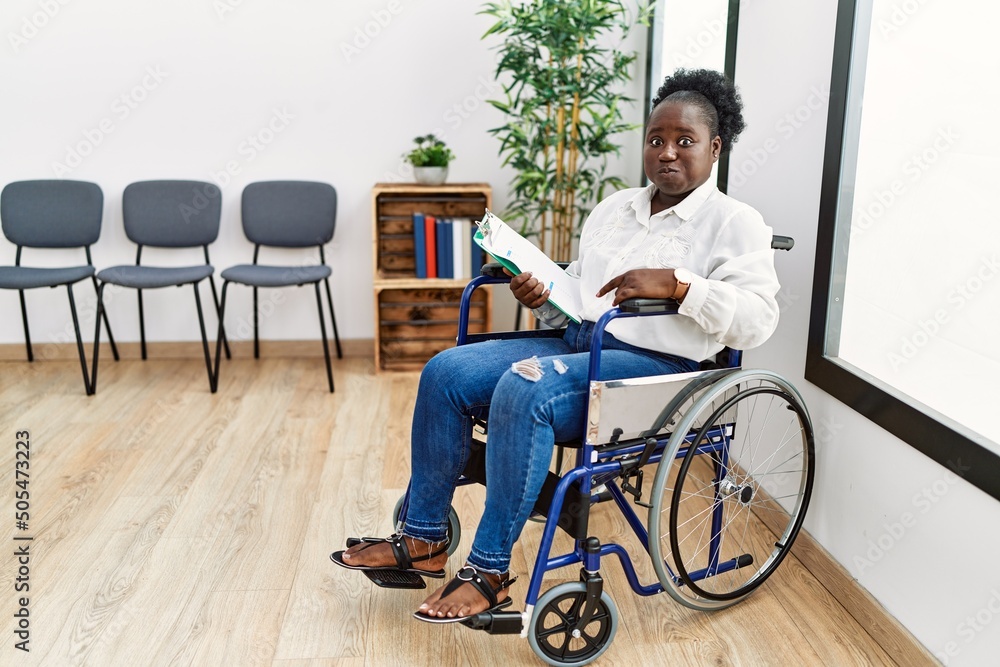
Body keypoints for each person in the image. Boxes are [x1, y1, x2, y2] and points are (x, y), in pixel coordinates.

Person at [331, 68, 780, 623]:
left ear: (715, 148)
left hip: (656, 369)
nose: (666, 152)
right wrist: (540, 294)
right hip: (575, 344)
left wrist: (680, 285)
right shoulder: (614, 210)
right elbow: (581, 300)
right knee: (446, 371)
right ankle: (424, 539)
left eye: (684, 141)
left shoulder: (735, 222)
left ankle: (489, 571)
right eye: (655, 139)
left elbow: (758, 320)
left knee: (527, 389)